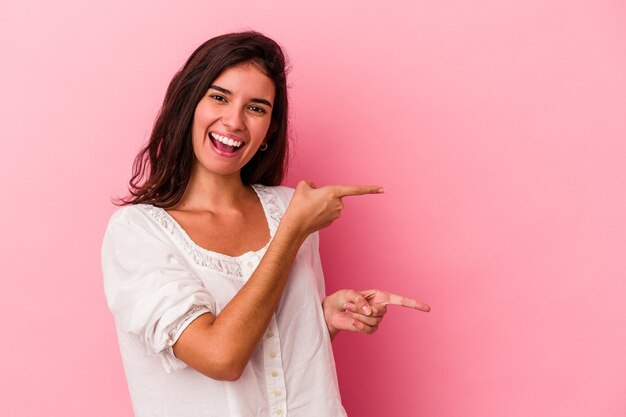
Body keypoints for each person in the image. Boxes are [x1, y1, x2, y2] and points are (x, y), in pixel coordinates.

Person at [101, 31, 430, 417]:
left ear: (270, 129)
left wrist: (320, 320)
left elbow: (274, 358)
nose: (235, 121)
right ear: (188, 103)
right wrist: (291, 232)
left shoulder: (288, 206)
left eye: (256, 108)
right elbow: (220, 356)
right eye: (219, 97)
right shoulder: (137, 232)